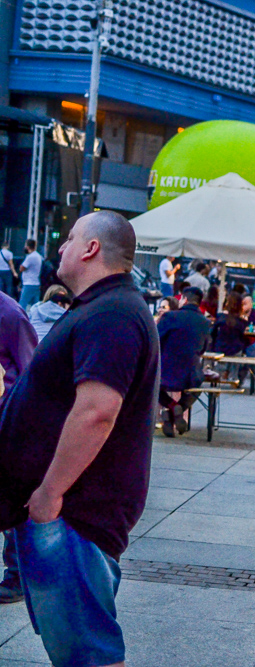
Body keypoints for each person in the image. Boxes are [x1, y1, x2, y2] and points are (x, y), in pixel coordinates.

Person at [0, 210, 159, 667]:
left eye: (70, 239)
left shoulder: (112, 313)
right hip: (66, 512)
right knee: (78, 650)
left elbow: (96, 412)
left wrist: (50, 493)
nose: (61, 247)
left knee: (88, 655)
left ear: (91, 249)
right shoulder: (102, 308)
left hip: (74, 513)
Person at [0, 288, 38, 605]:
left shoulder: (10, 314)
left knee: (9, 502)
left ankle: (17, 575)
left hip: (4, 421)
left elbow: (30, 372)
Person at [157, 286, 212, 437]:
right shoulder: (205, 322)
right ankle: (178, 408)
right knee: (197, 387)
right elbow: (203, 349)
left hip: (166, 371)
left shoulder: (170, 317)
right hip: (190, 373)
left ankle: (171, 408)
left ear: (185, 299)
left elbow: (157, 341)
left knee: (152, 385)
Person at [18, 239, 43, 310]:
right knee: (35, 306)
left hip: (29, 284)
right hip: (36, 283)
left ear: (27, 247)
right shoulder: (38, 256)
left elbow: (21, 268)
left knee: (22, 305)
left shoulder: (30, 257)